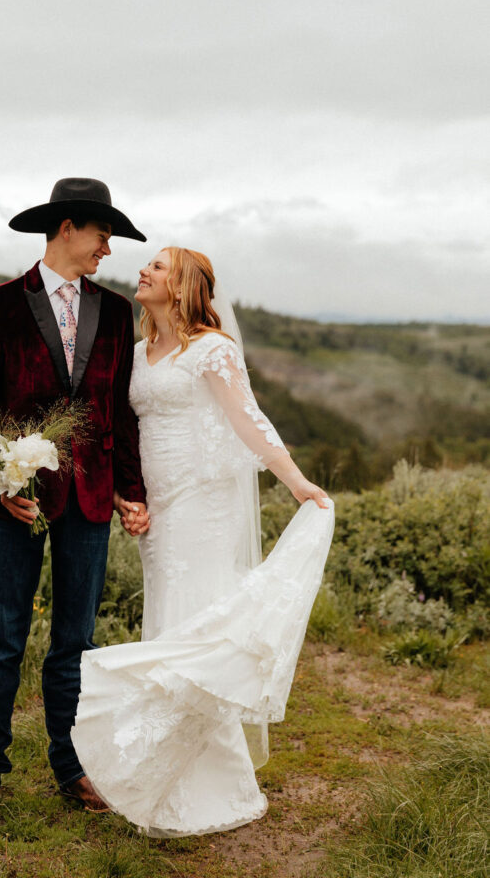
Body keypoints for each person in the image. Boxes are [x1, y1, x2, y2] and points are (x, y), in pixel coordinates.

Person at [71, 247, 335, 837]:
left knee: (198, 625)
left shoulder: (213, 349)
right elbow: (128, 432)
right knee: (168, 621)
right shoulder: (138, 354)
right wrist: (129, 496)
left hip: (205, 505)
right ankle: (165, 768)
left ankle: (212, 781)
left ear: (185, 285)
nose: (144, 271)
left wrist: (296, 483)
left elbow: (248, 420)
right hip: (160, 509)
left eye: (158, 267)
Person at [0, 178, 150, 824]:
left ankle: (71, 764)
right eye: (101, 235)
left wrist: (130, 492)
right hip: (17, 505)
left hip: (88, 499)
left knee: (75, 641)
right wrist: (0, 491)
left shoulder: (114, 315)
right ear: (66, 229)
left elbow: (120, 413)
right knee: (2, 635)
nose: (107, 249)